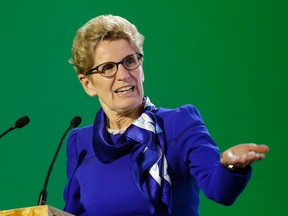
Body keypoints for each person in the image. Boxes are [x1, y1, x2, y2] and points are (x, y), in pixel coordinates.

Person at [63, 14, 269, 216]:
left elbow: (220, 190)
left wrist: (230, 166)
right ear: (87, 84)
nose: (124, 75)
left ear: (141, 68)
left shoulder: (178, 124)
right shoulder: (79, 143)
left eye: (129, 61)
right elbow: (73, 213)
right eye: (108, 67)